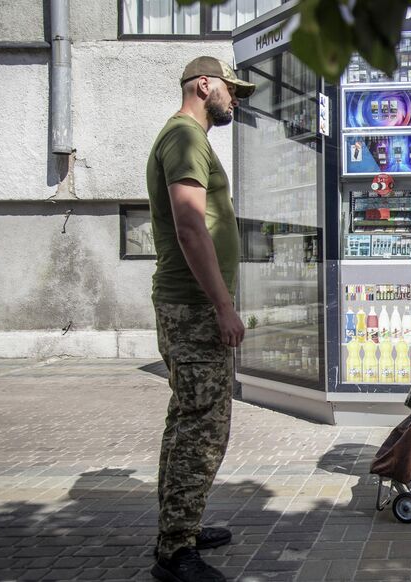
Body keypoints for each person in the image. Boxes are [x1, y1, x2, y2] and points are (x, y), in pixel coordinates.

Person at [147, 56, 255, 582]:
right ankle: (174, 552)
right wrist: (223, 306)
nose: (233, 100)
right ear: (204, 85)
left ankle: (180, 526)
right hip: (193, 308)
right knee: (204, 426)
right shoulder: (185, 137)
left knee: (186, 418)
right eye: (230, 91)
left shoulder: (188, 137)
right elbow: (191, 226)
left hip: (190, 304)